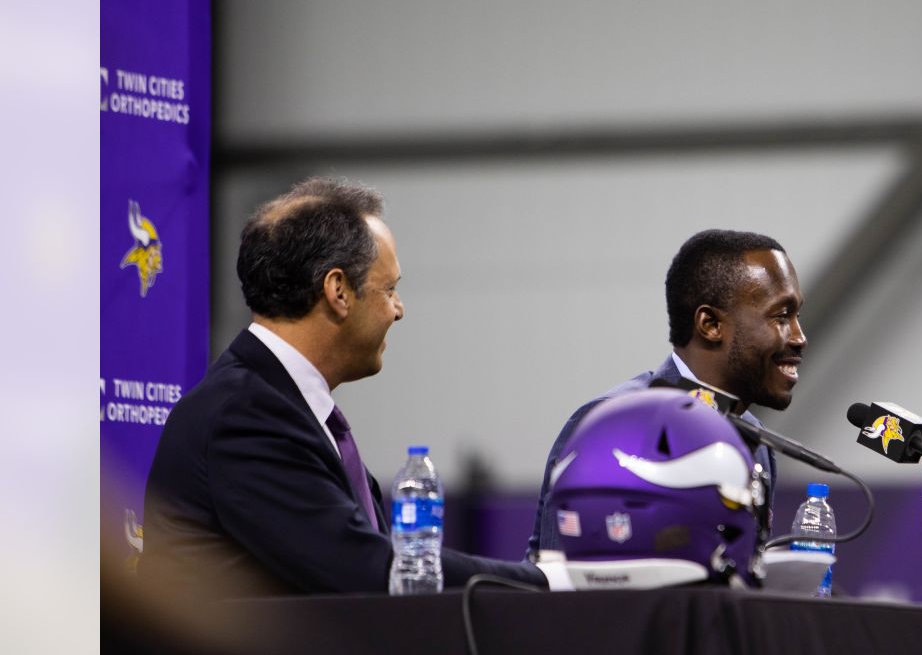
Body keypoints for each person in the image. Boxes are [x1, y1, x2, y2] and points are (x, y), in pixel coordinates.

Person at [140, 176, 545, 601]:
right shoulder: (244, 416)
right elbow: (361, 569)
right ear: (338, 291)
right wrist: (543, 582)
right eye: (389, 289)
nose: (399, 310)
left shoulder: (276, 406)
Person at [528, 229, 807, 557]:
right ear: (710, 324)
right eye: (781, 316)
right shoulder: (608, 424)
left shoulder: (755, 440)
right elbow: (558, 578)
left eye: (796, 315)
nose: (800, 337)